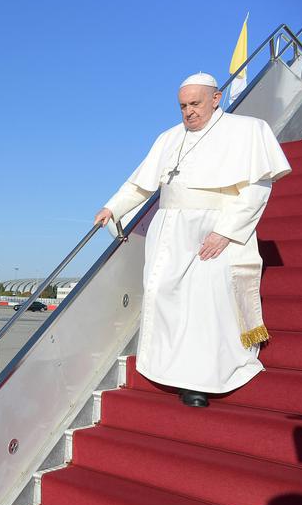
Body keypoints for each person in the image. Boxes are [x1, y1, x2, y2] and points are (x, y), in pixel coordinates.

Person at [95, 72, 291, 408]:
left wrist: (226, 232)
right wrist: (112, 207)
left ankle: (199, 382)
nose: (189, 112)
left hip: (214, 232)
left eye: (196, 103)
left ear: (216, 99)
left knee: (204, 305)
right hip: (169, 231)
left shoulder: (247, 130)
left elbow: (257, 188)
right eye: (183, 106)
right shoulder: (169, 137)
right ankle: (165, 365)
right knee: (163, 294)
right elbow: (140, 185)